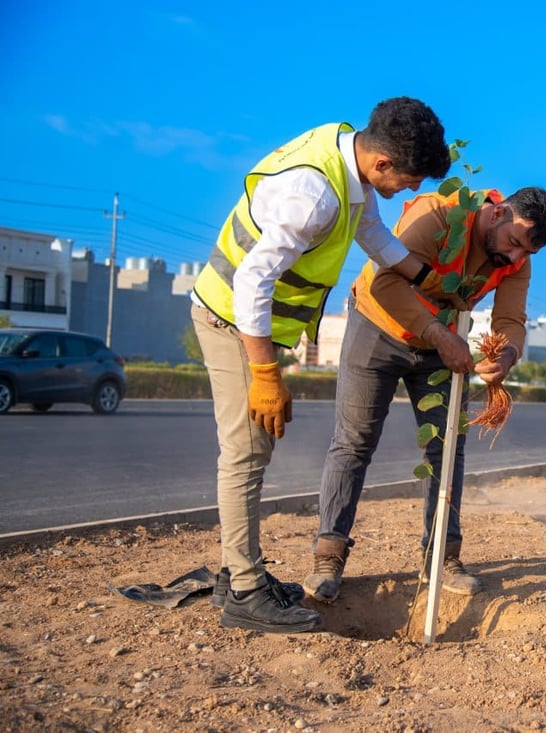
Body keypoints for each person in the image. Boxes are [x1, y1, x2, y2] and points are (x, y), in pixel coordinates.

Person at [189, 97, 451, 633]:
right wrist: (265, 375)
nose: (411, 191)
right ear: (382, 162)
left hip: (245, 320)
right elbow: (252, 280)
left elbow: (372, 233)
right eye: (409, 180)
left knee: (252, 449)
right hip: (230, 317)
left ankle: (237, 574)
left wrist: (427, 279)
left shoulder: (346, 152)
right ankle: (243, 592)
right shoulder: (314, 197)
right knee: (247, 452)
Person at [304, 185, 546, 603]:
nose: (515, 256)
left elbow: (511, 318)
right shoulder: (439, 214)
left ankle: (442, 557)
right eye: (514, 243)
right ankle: (328, 557)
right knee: (354, 442)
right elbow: (386, 284)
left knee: (445, 448)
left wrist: (507, 354)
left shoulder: (518, 258)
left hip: (443, 344)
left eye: (526, 252)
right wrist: (438, 334)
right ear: (498, 213)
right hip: (378, 327)